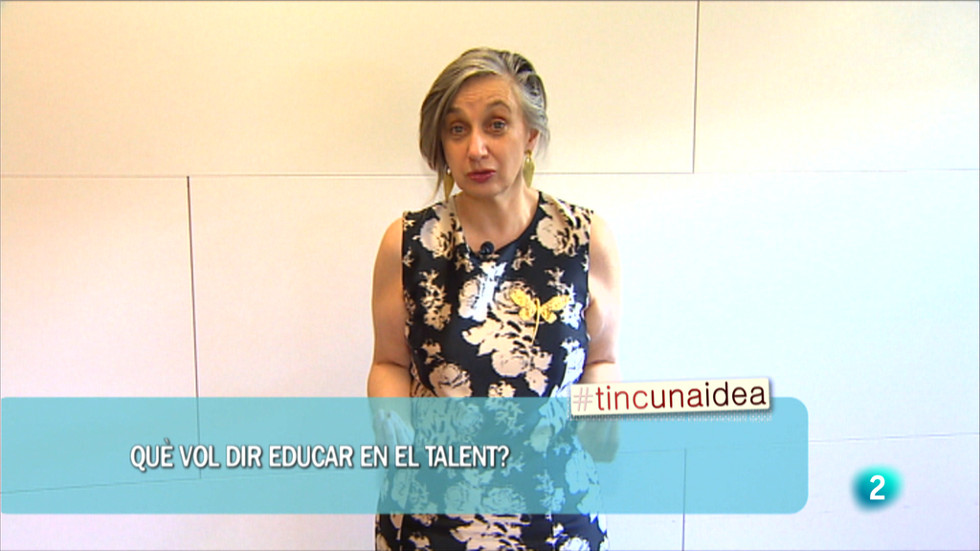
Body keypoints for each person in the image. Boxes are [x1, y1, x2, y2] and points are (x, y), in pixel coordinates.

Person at [368, 47, 620, 550]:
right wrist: (392, 426)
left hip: (556, 513)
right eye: (457, 129)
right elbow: (389, 362)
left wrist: (604, 416)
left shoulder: (583, 238)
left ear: (531, 136)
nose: (476, 148)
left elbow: (601, 360)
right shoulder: (408, 242)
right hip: (432, 513)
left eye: (497, 125)